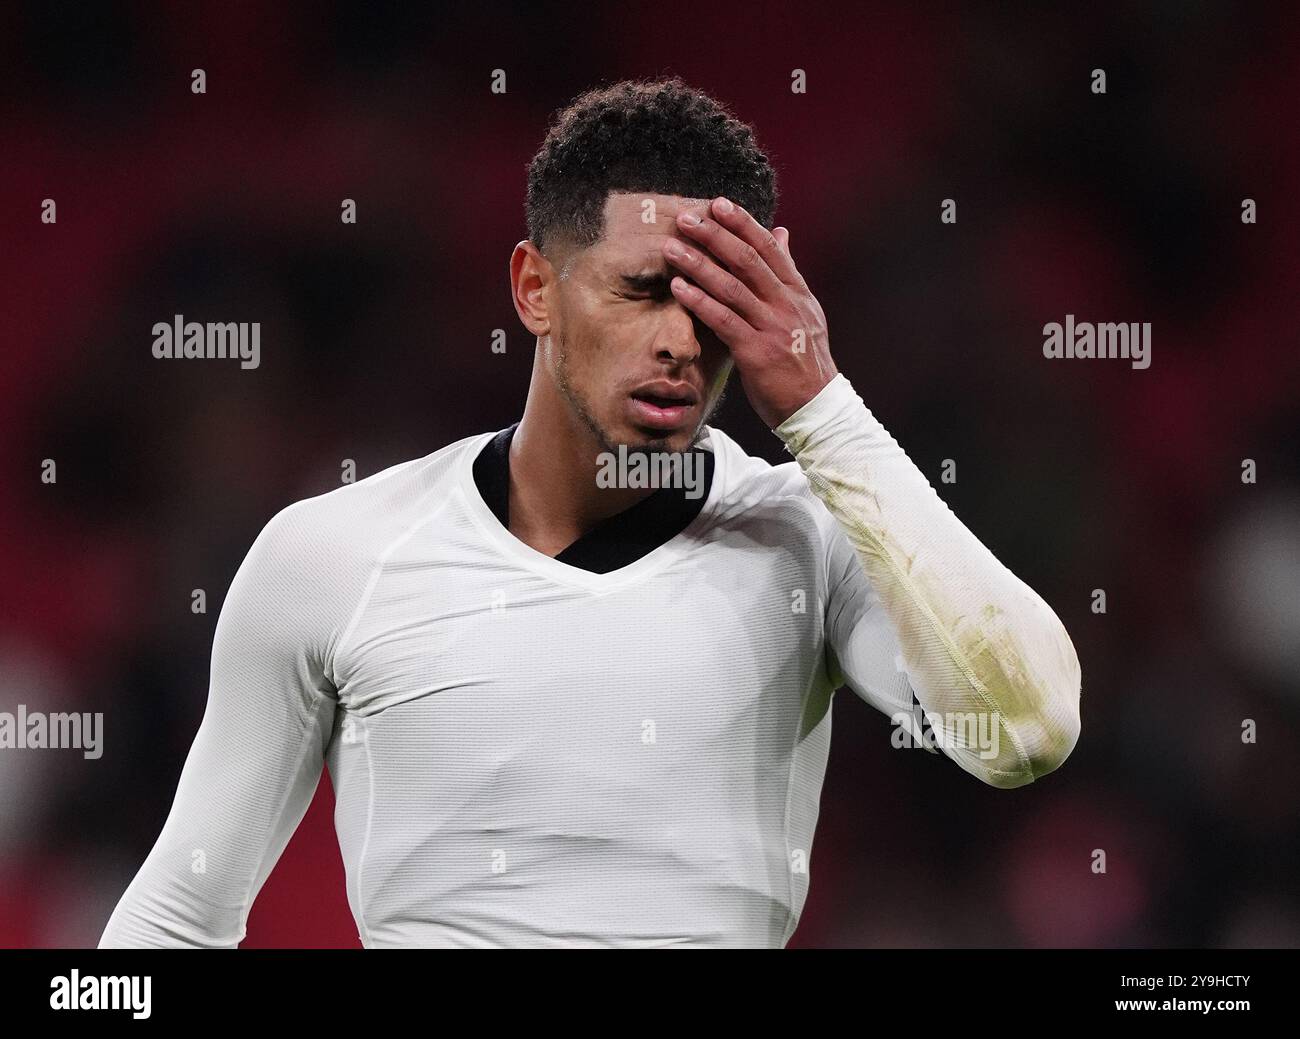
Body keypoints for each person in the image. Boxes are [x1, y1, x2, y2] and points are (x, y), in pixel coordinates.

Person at [99, 76, 1080, 949]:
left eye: (714, 306)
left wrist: (822, 406)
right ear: (534, 287)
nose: (677, 342)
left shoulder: (807, 547)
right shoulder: (332, 555)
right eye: (643, 290)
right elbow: (178, 916)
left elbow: (1026, 730)